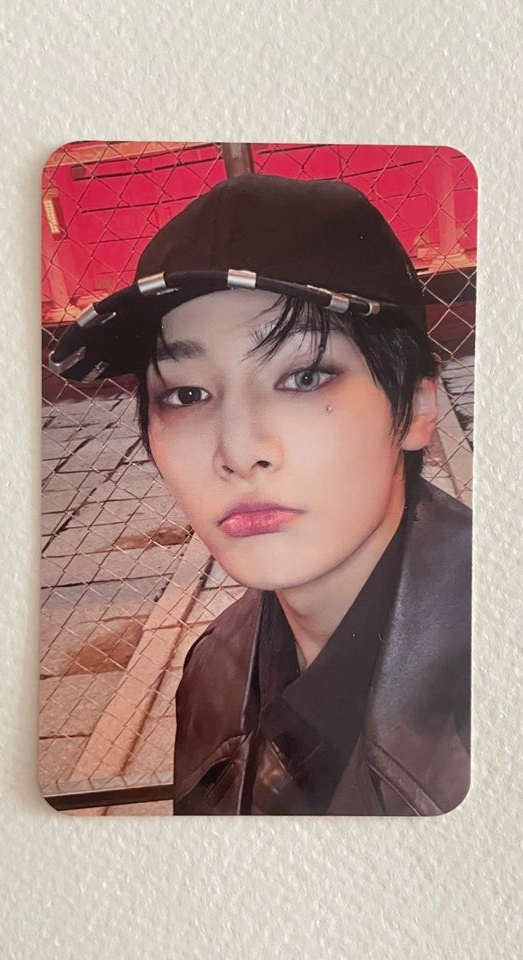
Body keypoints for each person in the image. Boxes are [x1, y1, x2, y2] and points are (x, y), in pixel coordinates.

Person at [51, 174, 471, 816]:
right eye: (186, 394)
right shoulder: (215, 671)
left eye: (303, 377)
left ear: (417, 406)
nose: (239, 449)